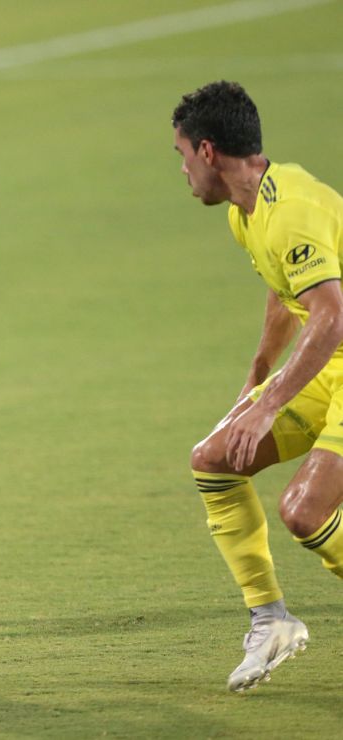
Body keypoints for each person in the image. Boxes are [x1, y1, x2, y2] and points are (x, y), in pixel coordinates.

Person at [173, 81, 343, 692]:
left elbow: (330, 315)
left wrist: (269, 408)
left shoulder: (293, 209)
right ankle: (270, 620)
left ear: (209, 151)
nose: (184, 170)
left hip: (338, 349)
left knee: (305, 511)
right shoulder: (250, 213)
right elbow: (284, 290)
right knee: (213, 460)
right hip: (326, 363)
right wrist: (260, 372)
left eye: (182, 154)